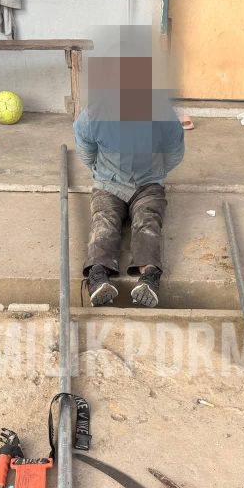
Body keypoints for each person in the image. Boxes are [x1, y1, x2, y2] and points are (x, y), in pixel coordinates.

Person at [74, 53, 185, 308]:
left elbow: (174, 150)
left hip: (148, 184)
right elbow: (85, 146)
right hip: (108, 184)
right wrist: (99, 171)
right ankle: (98, 275)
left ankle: (149, 277)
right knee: (104, 221)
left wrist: (157, 174)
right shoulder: (94, 115)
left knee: (148, 221)